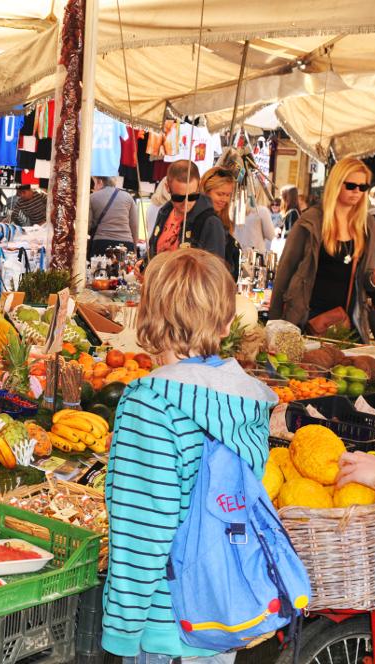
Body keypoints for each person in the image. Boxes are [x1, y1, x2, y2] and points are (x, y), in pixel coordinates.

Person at [103, 247, 276, 664]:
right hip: (219, 609)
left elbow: (143, 529)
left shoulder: (152, 403)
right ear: (222, 318)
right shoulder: (245, 398)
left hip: (167, 623)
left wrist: (121, 631)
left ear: (148, 314)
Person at [269, 157, 375, 341]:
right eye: (351, 185)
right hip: (307, 318)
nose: (357, 192)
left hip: (348, 322)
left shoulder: (367, 226)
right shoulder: (311, 222)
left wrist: (374, 279)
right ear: (337, 184)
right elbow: (286, 270)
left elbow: (365, 279)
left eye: (363, 187)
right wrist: (274, 321)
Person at [147, 160, 227, 268]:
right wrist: (144, 264)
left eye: (192, 196)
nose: (186, 203)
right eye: (179, 198)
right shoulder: (164, 212)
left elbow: (215, 271)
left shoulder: (210, 222)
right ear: (167, 188)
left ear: (198, 187)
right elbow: (153, 250)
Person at [89, 176, 137, 256]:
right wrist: (134, 246)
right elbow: (134, 225)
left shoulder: (93, 197)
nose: (94, 187)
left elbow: (88, 224)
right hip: (126, 243)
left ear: (100, 181)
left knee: (99, 268)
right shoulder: (128, 197)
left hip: (101, 243)